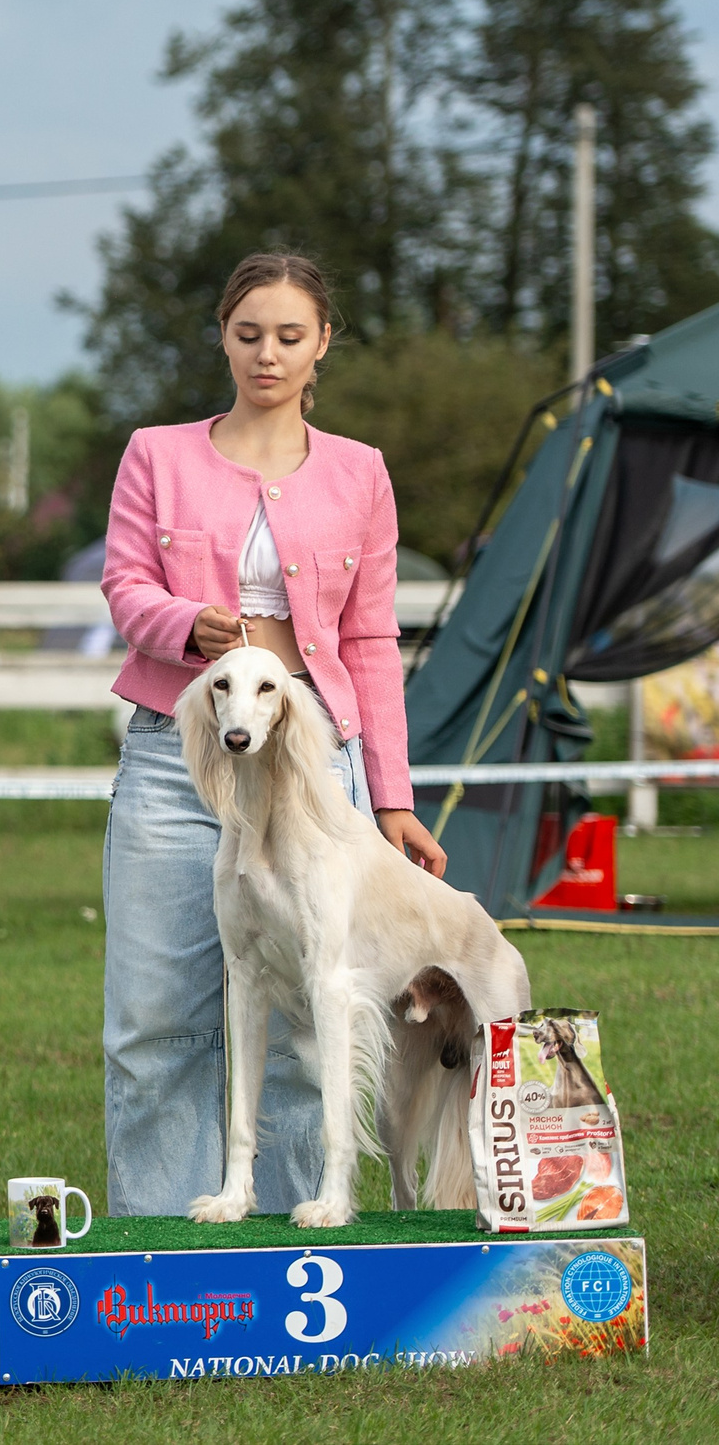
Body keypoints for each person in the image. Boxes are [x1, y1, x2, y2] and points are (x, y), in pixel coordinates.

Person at [98, 252, 445, 1218]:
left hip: (311, 769)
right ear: (223, 334)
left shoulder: (360, 471)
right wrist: (183, 626)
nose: (268, 353)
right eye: (249, 333)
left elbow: (372, 639)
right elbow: (126, 587)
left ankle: (303, 1225)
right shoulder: (156, 454)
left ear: (322, 343)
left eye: (290, 336)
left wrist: (393, 800)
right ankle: (166, 1242)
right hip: (178, 757)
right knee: (156, 1021)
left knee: (309, 1016)